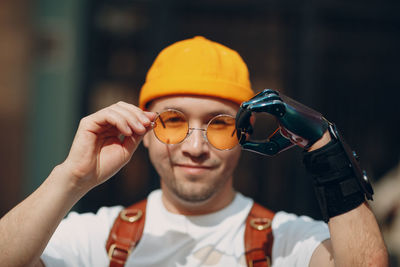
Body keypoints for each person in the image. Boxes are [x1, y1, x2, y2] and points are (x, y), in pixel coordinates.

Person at [0, 36, 388, 267]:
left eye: (219, 124)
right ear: (145, 131)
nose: (196, 146)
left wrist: (327, 148)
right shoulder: (95, 236)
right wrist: (71, 177)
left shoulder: (287, 239)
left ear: (244, 135)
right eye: (173, 121)